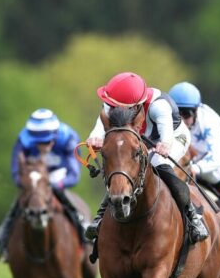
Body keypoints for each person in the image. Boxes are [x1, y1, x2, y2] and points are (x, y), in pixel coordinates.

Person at [84, 72, 208, 243]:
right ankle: (100, 217)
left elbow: (167, 138)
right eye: (111, 105)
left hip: (173, 137)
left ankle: (192, 216)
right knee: (122, 167)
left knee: (158, 163)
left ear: (134, 106)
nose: (112, 108)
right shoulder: (113, 104)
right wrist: (94, 138)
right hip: (138, 141)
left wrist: (164, 145)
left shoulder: (159, 106)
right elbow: (99, 127)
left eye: (116, 106)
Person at [0, 108, 85, 262]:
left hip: (58, 176)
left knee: (73, 207)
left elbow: (74, 176)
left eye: (49, 141)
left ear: (56, 135)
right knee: (16, 207)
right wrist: (31, 184)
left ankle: (84, 236)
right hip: (34, 179)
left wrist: (53, 184)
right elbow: (16, 174)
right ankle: (4, 242)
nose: (45, 146)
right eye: (40, 143)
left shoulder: (69, 138)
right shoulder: (23, 141)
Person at [168, 81, 220, 245]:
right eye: (177, 114)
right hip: (178, 163)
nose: (182, 120)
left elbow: (217, 156)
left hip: (206, 165)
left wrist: (196, 167)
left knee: (214, 175)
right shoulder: (164, 116)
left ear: (196, 111)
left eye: (186, 114)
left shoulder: (211, 120)